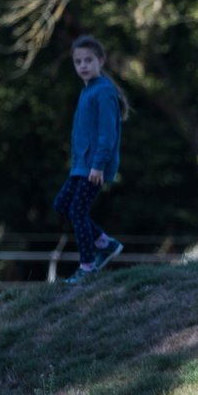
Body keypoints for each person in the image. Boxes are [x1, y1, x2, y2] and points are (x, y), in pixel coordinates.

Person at [53, 34, 128, 284]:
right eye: (78, 62)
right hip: (80, 166)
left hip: (94, 167)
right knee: (62, 205)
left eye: (88, 60)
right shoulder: (87, 91)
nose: (83, 66)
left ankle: (87, 267)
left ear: (101, 60)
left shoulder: (104, 91)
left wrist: (98, 165)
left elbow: (107, 134)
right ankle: (106, 244)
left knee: (77, 210)